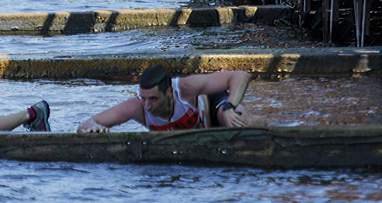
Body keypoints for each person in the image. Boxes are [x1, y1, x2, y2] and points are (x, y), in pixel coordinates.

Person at [76, 65, 267, 133]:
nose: (147, 106)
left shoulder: (185, 88)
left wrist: (229, 105)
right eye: (143, 98)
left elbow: (240, 76)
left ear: (169, 93)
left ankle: (262, 124)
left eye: (153, 99)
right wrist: (94, 128)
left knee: (232, 120)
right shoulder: (138, 106)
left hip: (213, 108)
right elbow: (87, 123)